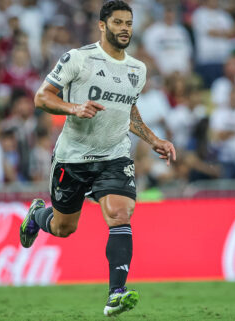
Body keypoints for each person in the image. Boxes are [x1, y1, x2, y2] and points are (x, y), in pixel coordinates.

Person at [19, 1, 175, 317]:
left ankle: (115, 294)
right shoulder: (79, 59)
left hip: (114, 156)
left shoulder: (138, 69)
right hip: (73, 158)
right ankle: (37, 216)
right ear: (102, 25)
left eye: (129, 23)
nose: (124, 28)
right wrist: (73, 108)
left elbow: (127, 112)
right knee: (64, 228)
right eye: (118, 22)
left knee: (120, 213)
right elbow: (41, 97)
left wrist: (154, 139)